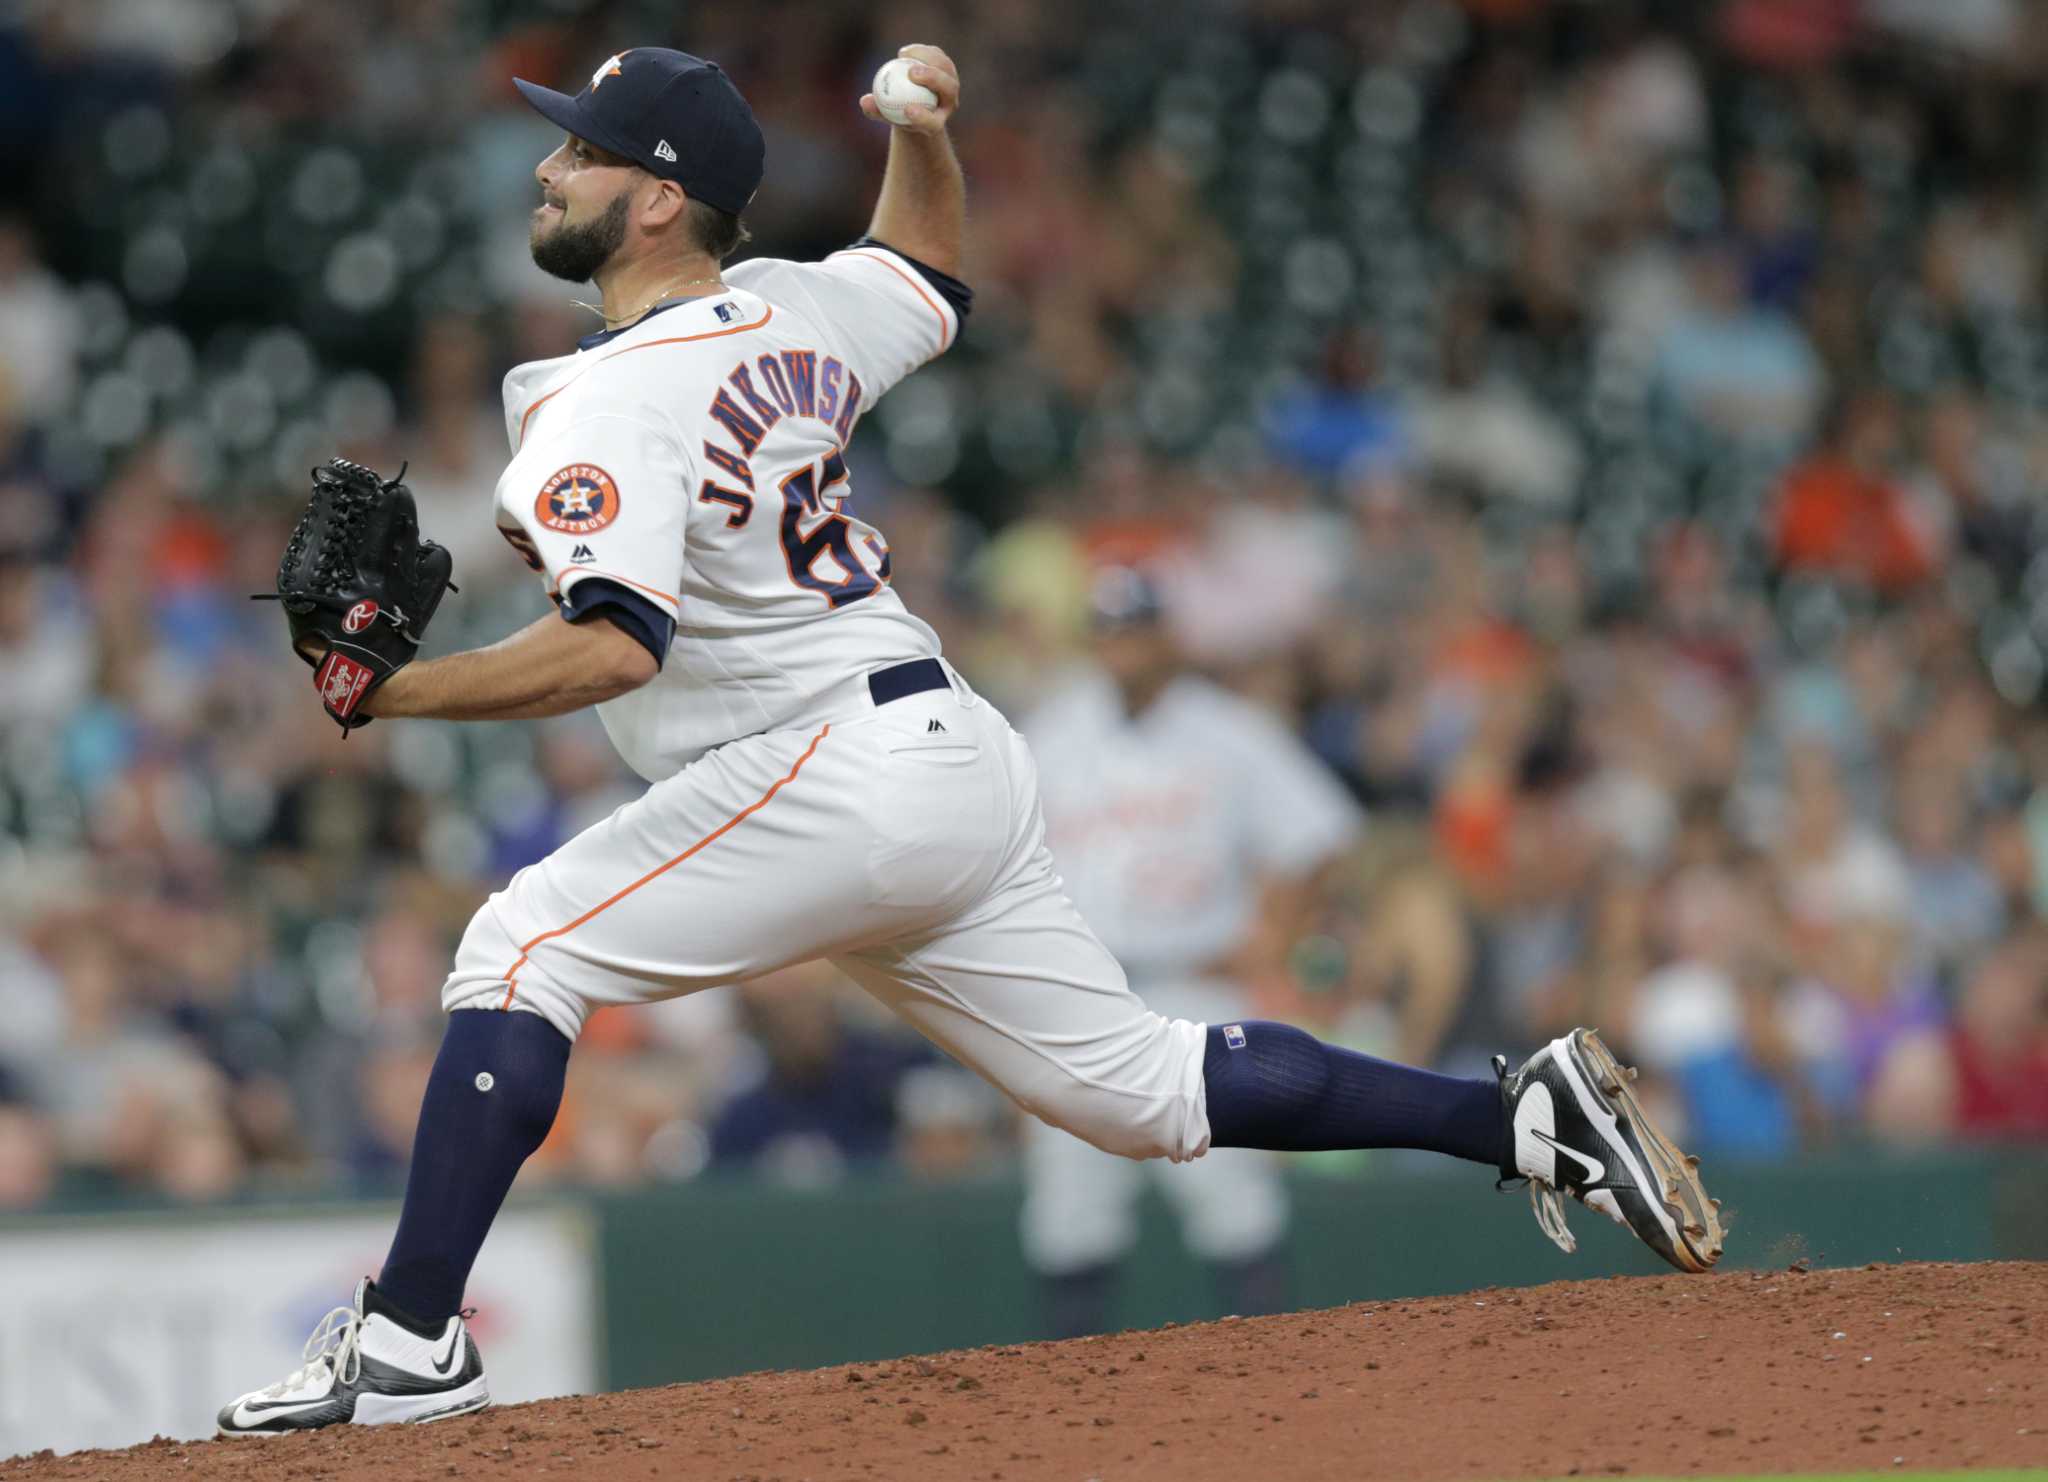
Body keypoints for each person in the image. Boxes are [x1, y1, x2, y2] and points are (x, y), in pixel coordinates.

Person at [218, 43, 1724, 1438]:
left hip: (831, 764)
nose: (547, 170)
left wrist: (394, 695)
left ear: (659, 196)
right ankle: (1519, 1117)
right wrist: (923, 133)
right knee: (1142, 1092)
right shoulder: (795, 309)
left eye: (582, 152)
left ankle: (411, 1329)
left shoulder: (612, 398)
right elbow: (927, 267)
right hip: (939, 750)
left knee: (521, 949)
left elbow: (618, 639)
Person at [1019, 566, 1361, 1335]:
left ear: (1166, 636)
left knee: (1230, 1190)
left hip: (1192, 984)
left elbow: (1322, 838)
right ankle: (1070, 1412)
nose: (1122, 645)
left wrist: (1274, 933)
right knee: (1069, 1204)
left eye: (1135, 628)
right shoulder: (1052, 729)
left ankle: (1267, 1392)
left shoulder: (1227, 730)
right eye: (1108, 629)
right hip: (1080, 990)